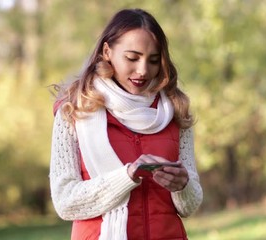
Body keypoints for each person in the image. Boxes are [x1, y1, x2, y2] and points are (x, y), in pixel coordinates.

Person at [49, 8, 203, 240]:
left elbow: (189, 206)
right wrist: (126, 176)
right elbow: (65, 202)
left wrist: (183, 186)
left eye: (153, 60)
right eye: (132, 58)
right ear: (107, 51)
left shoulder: (175, 112)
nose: (143, 70)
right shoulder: (74, 112)